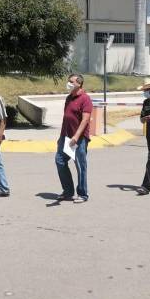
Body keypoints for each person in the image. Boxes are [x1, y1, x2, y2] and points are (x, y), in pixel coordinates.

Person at [56, 74, 93, 203]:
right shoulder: (69, 98)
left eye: (71, 82)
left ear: (79, 83)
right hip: (65, 138)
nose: (68, 83)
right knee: (60, 161)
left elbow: (85, 120)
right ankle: (68, 192)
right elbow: (66, 119)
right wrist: (61, 137)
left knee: (80, 165)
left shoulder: (85, 99)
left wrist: (76, 137)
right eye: (68, 81)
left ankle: (83, 194)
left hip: (79, 139)